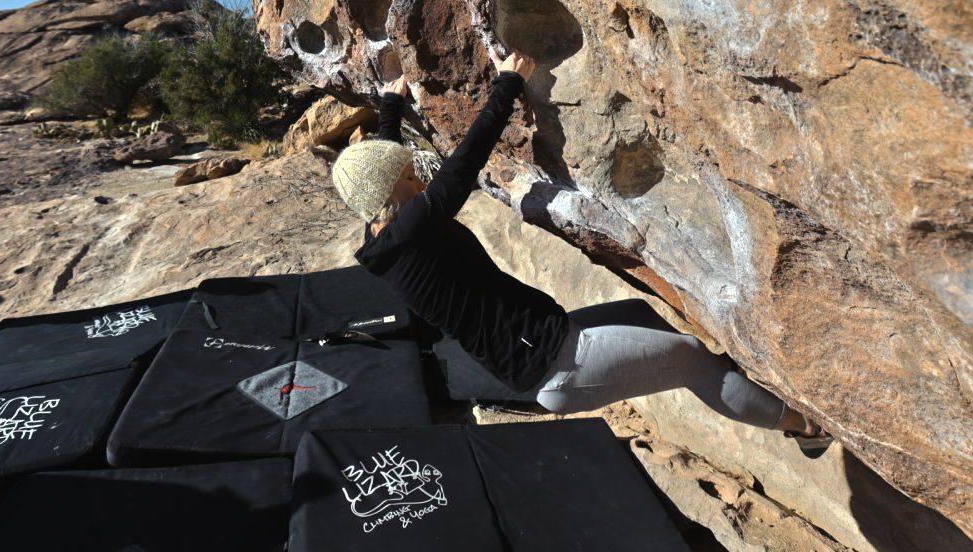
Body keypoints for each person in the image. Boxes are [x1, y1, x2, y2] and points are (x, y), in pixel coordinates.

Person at [331, 48, 832, 457]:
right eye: (410, 177)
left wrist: (389, 107)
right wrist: (507, 84)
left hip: (548, 337)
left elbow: (376, 170)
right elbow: (462, 167)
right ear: (393, 193)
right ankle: (806, 430)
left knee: (639, 314)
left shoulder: (381, 230)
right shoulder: (413, 228)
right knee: (691, 358)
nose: (419, 180)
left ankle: (736, 387)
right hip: (558, 367)